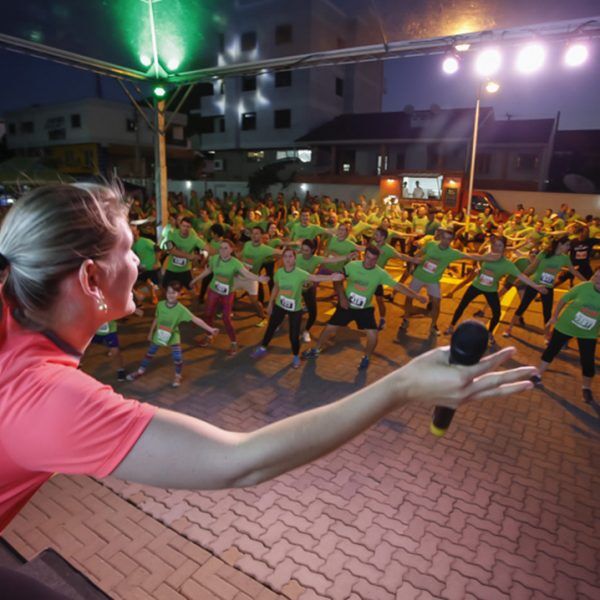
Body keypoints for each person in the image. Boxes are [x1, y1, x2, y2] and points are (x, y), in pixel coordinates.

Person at [0, 184, 536, 596]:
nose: (143, 261)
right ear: (92, 280)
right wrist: (400, 386)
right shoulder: (50, 398)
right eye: (131, 250)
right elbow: (241, 462)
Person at [303, 246, 428, 370]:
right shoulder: (352, 266)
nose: (369, 262)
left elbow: (399, 286)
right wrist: (341, 297)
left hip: (365, 309)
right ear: (364, 256)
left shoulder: (380, 273)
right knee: (329, 328)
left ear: (377, 260)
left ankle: (366, 357)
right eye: (367, 258)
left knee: (373, 335)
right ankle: (315, 349)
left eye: (373, 259)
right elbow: (338, 280)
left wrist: (416, 296)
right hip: (347, 305)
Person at [444, 236, 547, 346]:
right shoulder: (488, 256)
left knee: (496, 313)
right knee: (462, 305)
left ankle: (489, 333)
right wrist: (460, 255)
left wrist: (536, 286)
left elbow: (522, 276)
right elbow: (475, 258)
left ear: (504, 248)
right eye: (494, 245)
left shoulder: (507, 264)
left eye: (499, 245)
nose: (496, 248)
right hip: (476, 286)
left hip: (491, 290)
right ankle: (451, 326)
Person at [251, 248, 344, 368]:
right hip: (280, 305)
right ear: (282, 259)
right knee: (271, 327)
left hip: (295, 310)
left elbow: (315, 278)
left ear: (295, 259)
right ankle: (263, 348)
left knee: (293, 336)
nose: (288, 259)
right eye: (286, 257)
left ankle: (295, 356)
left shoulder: (300, 273)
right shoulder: (279, 273)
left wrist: (332, 277)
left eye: (291, 257)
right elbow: (276, 288)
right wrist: (270, 303)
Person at [400, 228, 501, 337]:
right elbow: (418, 254)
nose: (446, 241)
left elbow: (471, 256)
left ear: (451, 241)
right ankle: (406, 319)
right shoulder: (431, 245)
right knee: (409, 298)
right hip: (419, 276)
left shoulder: (452, 253)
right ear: (441, 237)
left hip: (433, 280)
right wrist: (412, 266)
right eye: (444, 238)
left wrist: (487, 257)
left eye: (449, 239)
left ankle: (433, 326)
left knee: (437, 304)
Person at [127, 282, 218, 387]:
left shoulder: (181, 309)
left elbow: (195, 319)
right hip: (159, 334)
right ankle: (140, 371)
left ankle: (178, 376)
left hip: (173, 336)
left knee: (178, 358)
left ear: (179, 294)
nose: (170, 295)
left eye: (174, 292)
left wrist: (210, 329)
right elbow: (156, 319)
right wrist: (151, 332)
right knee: (149, 354)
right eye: (169, 292)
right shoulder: (160, 305)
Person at [531, 268, 600, 404]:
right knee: (551, 350)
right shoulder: (584, 287)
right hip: (565, 326)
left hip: (588, 333)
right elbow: (563, 299)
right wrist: (554, 316)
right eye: (596, 275)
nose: (597, 279)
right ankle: (537, 374)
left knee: (587, 362)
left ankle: (586, 388)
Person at [191, 240, 269, 356]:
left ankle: (233, 342)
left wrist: (259, 279)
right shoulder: (214, 258)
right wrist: (195, 279)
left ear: (231, 250)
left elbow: (246, 274)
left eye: (226, 248)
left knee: (226, 318)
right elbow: (209, 270)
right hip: (214, 290)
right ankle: (209, 335)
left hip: (228, 293)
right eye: (221, 248)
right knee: (207, 314)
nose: (223, 250)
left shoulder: (235, 263)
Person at [503, 236, 587, 339]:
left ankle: (546, 334)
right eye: (567, 245)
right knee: (523, 306)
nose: (569, 247)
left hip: (548, 286)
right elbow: (532, 266)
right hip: (535, 283)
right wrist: (521, 277)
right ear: (560, 244)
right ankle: (509, 328)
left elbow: (573, 271)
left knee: (547, 311)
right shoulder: (544, 253)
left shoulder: (565, 258)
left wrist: (587, 282)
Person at [163, 216, 205, 290]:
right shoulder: (170, 232)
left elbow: (202, 245)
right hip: (171, 267)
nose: (185, 228)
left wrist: (201, 255)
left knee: (191, 288)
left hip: (185, 268)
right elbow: (171, 250)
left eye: (187, 226)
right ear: (179, 224)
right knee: (165, 287)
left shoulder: (193, 235)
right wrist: (189, 256)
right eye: (183, 225)